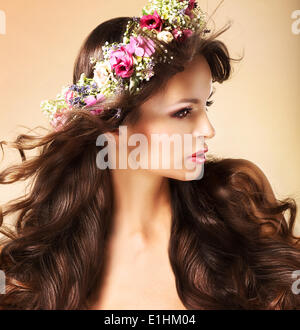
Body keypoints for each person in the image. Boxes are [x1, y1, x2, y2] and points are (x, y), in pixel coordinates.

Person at [0, 0, 300, 310]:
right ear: (113, 126)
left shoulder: (238, 197)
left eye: (205, 106)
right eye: (183, 112)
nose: (208, 130)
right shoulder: (48, 260)